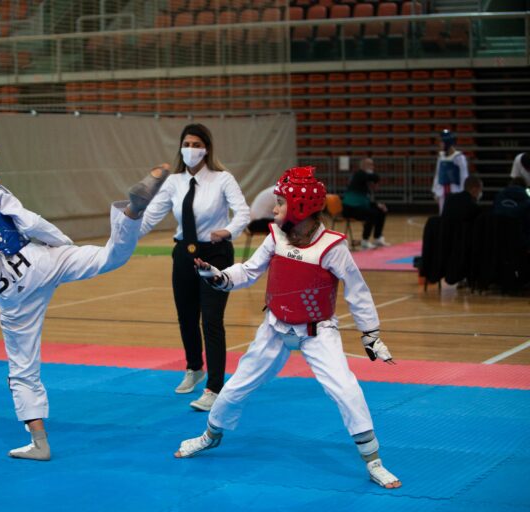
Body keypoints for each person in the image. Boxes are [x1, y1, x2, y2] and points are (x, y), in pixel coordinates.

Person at [0, 131, 169, 461]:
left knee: (22, 367)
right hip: (40, 262)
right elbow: (30, 222)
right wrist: (62, 244)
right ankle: (132, 213)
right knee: (111, 257)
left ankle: (39, 442)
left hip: (9, 290)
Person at [173, 166, 402, 490]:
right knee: (237, 385)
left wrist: (371, 336)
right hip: (274, 330)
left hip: (317, 332)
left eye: (280, 203)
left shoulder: (332, 247)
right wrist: (218, 275)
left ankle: (373, 461)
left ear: (300, 208)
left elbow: (358, 293)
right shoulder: (275, 236)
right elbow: (249, 271)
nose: (274, 208)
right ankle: (210, 436)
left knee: (346, 389)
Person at [139, 123, 250, 412]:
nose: (191, 149)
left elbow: (243, 212)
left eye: (196, 144)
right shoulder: (174, 182)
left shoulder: (222, 178)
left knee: (211, 320)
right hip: (184, 253)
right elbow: (151, 216)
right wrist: (124, 233)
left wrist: (227, 231)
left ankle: (214, 387)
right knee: (186, 316)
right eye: (186, 144)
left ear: (207, 148)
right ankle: (194, 368)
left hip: (216, 253)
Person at [341, 157, 390, 250]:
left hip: (358, 205)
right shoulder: (359, 174)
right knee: (371, 214)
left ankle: (377, 238)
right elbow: (376, 177)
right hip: (349, 208)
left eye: (372, 165)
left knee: (381, 211)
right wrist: (372, 175)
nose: (372, 167)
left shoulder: (364, 177)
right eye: (369, 165)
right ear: (363, 166)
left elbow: (364, 199)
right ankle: (365, 241)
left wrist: (377, 205)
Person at [432, 129, 469, 214]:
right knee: (443, 216)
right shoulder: (441, 157)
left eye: (441, 142)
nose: (439, 144)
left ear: (447, 142)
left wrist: (464, 194)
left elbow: (464, 177)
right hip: (442, 193)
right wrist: (436, 191)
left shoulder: (459, 158)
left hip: (456, 192)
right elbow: (438, 174)